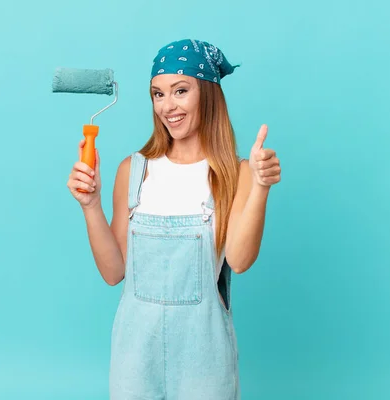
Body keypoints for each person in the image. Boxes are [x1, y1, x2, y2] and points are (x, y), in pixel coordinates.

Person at [66, 39, 281, 399]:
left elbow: (240, 261)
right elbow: (113, 272)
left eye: (181, 90)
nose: (168, 106)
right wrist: (90, 205)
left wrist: (259, 187)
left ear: (207, 94)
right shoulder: (133, 171)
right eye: (158, 94)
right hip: (134, 357)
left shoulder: (233, 174)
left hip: (205, 358)